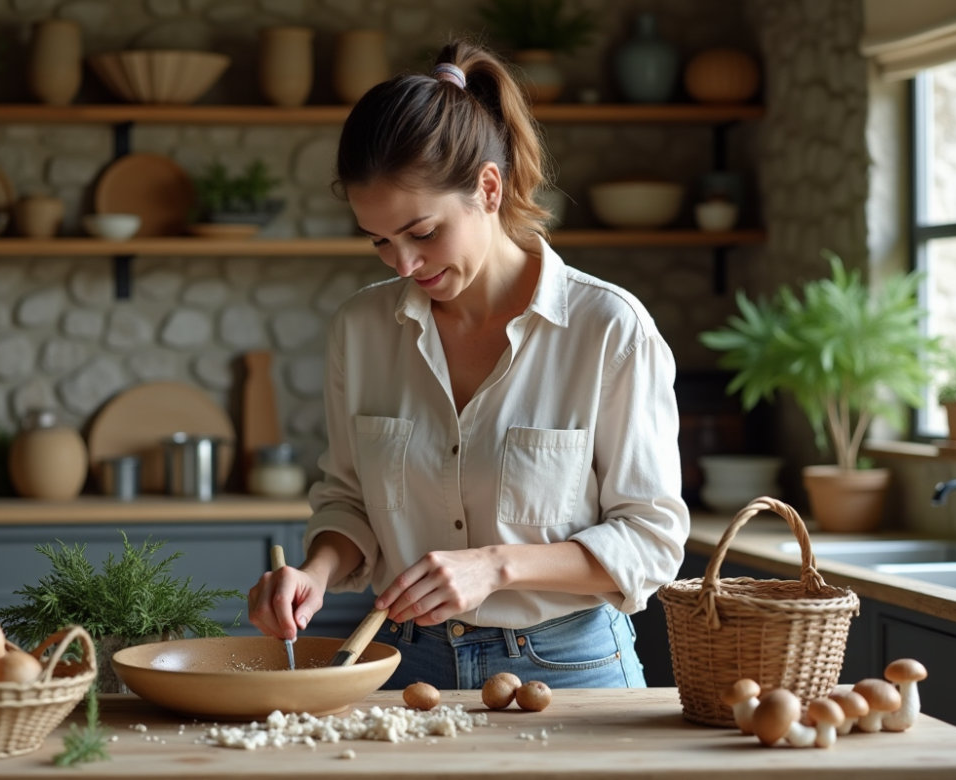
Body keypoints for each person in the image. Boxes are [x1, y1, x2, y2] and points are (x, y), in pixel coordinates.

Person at [248, 39, 689, 691]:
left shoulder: (607, 329)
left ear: (488, 186)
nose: (403, 264)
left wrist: (497, 566)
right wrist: (313, 572)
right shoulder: (362, 330)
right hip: (406, 667)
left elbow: (652, 543)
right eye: (380, 241)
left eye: (422, 233)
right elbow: (349, 502)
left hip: (569, 669)